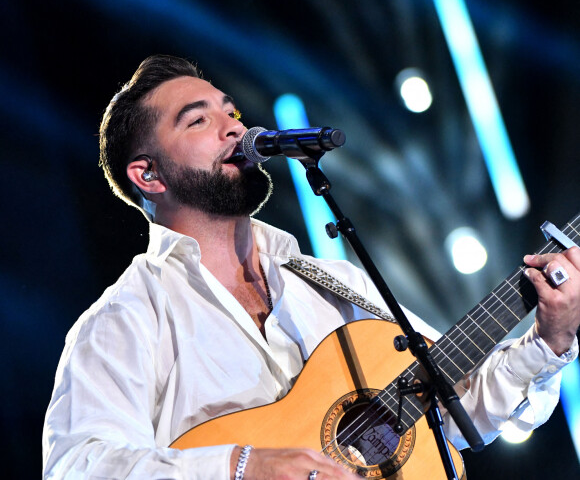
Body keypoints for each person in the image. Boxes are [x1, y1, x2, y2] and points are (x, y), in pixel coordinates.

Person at [42, 54, 580, 480]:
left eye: (230, 111)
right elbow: (77, 468)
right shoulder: (124, 320)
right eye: (199, 120)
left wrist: (550, 339)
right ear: (149, 175)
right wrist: (240, 467)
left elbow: (464, 411)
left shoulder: (333, 286)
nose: (233, 127)